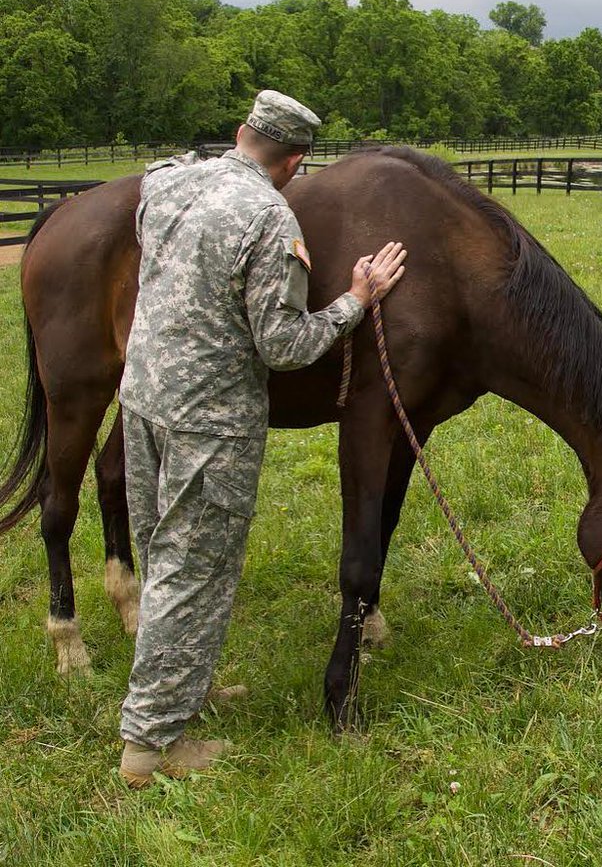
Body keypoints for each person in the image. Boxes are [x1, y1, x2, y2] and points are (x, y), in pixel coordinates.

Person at [117, 91, 407, 787]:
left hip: (143, 398)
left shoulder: (168, 181)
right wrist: (356, 300)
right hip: (208, 425)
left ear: (243, 132)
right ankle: (149, 746)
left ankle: (177, 690)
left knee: (162, 558)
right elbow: (282, 344)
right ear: (296, 161)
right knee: (194, 573)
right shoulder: (270, 219)